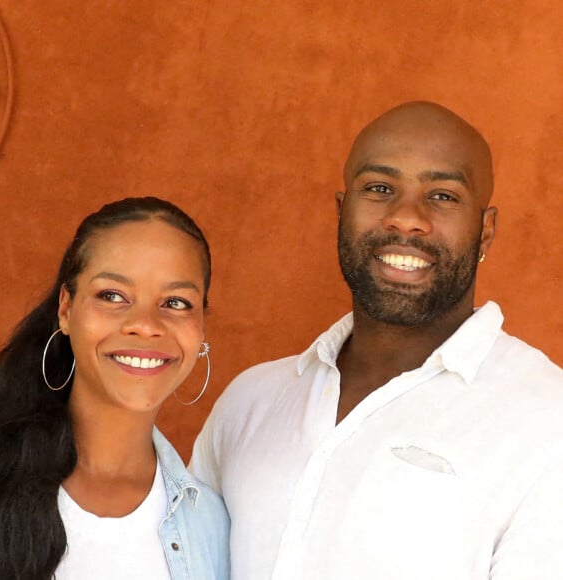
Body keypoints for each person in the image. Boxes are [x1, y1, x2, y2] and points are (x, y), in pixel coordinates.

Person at [190, 102, 563, 580]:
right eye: (380, 188)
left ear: (485, 231)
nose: (406, 219)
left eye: (444, 196)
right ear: (342, 213)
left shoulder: (547, 422)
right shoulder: (251, 400)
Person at [0, 197, 230, 580]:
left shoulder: (210, 525)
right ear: (66, 309)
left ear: (201, 328)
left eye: (176, 302)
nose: (146, 324)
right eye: (112, 296)